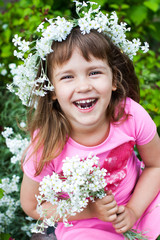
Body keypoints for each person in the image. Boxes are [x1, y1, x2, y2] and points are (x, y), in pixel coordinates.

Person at [11, 1, 160, 240]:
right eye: (68, 76)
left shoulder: (130, 115)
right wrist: (90, 210)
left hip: (141, 201)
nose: (84, 86)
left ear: (114, 80)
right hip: (87, 224)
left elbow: (156, 165)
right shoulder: (47, 143)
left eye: (94, 72)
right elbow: (32, 205)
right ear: (52, 91)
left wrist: (133, 210)